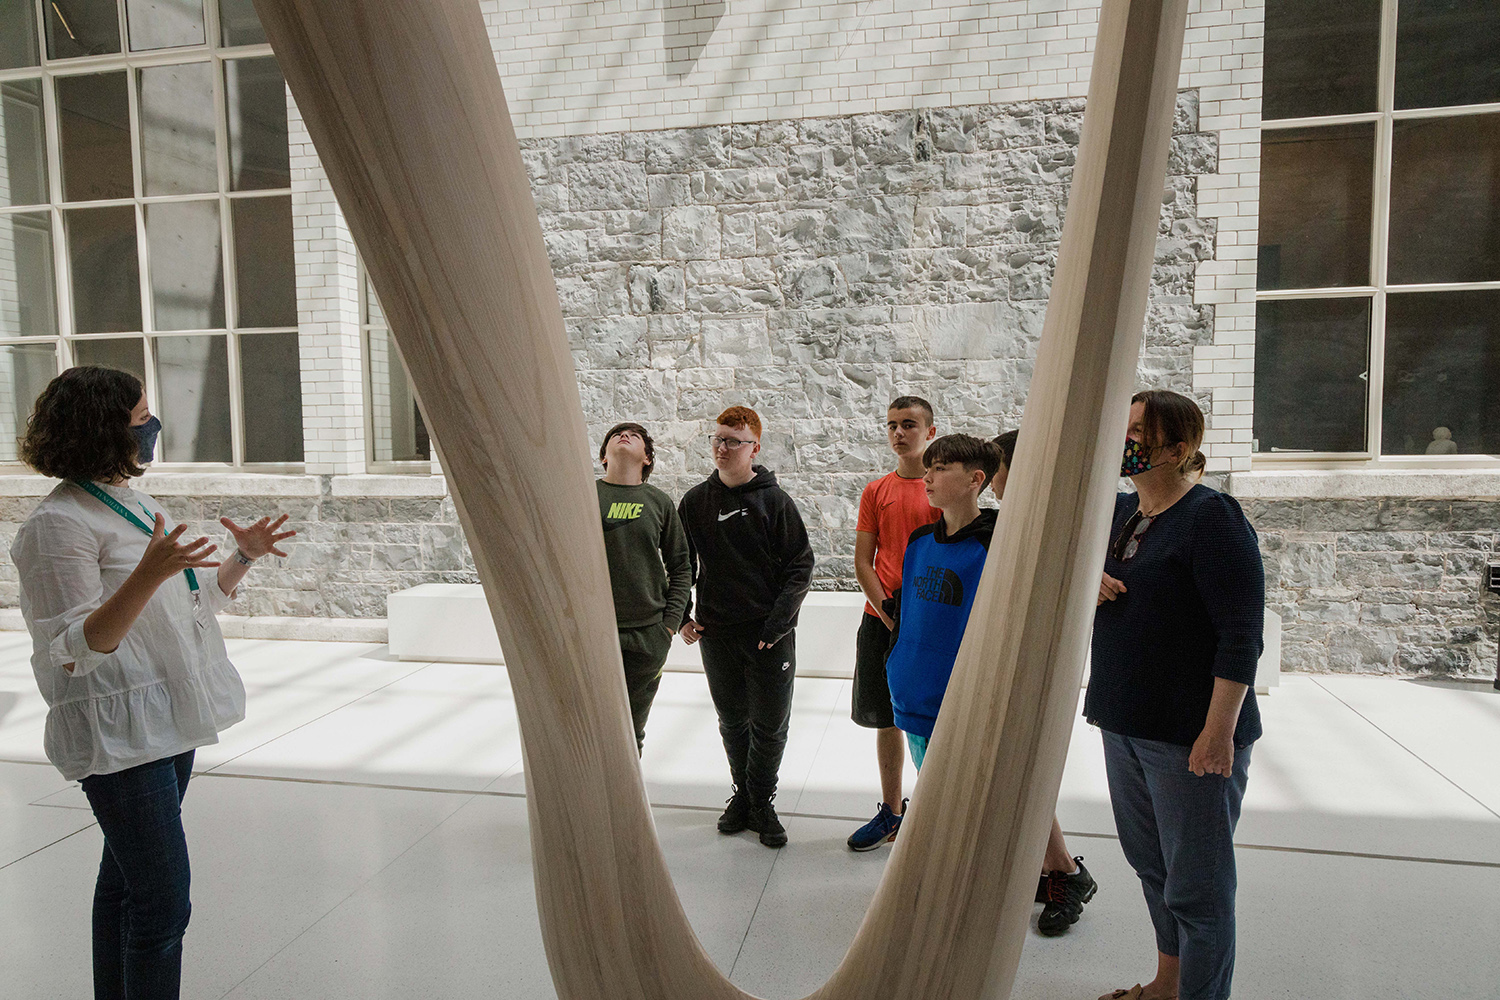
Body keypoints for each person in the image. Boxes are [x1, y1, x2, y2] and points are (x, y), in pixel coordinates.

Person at [10, 366, 295, 1000]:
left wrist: (240, 558)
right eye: (141, 421)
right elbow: (73, 651)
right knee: (164, 903)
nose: (151, 429)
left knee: (126, 887)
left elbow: (185, 614)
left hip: (168, 716)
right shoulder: (57, 526)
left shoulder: (135, 502)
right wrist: (147, 574)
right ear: (103, 431)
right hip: (120, 731)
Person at [1091, 389, 1264, 1000]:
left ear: (1178, 448)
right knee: (1154, 870)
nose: (1125, 440)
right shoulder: (1115, 514)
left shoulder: (1212, 517)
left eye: (1138, 431)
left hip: (1189, 737)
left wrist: (1218, 735)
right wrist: (1093, 582)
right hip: (1124, 722)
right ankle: (1169, 983)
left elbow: (1241, 635)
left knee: (1198, 889)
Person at [678, 406, 814, 848]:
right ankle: (745, 796)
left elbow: (800, 565)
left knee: (770, 725)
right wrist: (683, 616)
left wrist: (777, 625)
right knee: (732, 721)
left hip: (767, 634)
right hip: (716, 633)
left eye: (733, 441)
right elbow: (681, 565)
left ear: (754, 447)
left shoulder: (774, 501)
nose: (722, 447)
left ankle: (762, 800)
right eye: (717, 439)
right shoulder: (695, 502)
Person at [991, 429, 1099, 936]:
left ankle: (1065, 872)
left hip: (1037, 665)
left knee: (1024, 768)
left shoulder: (1054, 522)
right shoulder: (1010, 522)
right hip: (1008, 660)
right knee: (1014, 769)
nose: (991, 481)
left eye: (997, 469)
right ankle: (1050, 867)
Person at [846, 395, 940, 852]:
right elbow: (864, 560)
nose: (899, 433)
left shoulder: (944, 489)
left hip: (930, 623)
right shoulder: (875, 490)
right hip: (881, 618)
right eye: (891, 425)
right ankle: (891, 812)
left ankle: (941, 811)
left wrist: (921, 616)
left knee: (930, 720)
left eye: (908, 424)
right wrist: (885, 608)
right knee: (887, 719)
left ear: (930, 433)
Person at [882, 433, 999, 771]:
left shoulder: (995, 544)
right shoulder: (919, 542)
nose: (927, 477)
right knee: (928, 797)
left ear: (975, 479)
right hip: (912, 693)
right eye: (928, 468)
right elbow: (906, 616)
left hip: (966, 703)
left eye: (940, 468)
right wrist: (896, 661)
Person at [596, 421, 692, 753]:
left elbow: (682, 566)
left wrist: (668, 626)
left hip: (647, 636)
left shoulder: (660, 502)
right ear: (604, 455)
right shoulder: (583, 495)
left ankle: (625, 804)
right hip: (593, 633)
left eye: (635, 436)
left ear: (647, 458)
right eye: (616, 435)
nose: (625, 436)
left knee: (630, 732)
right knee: (590, 726)